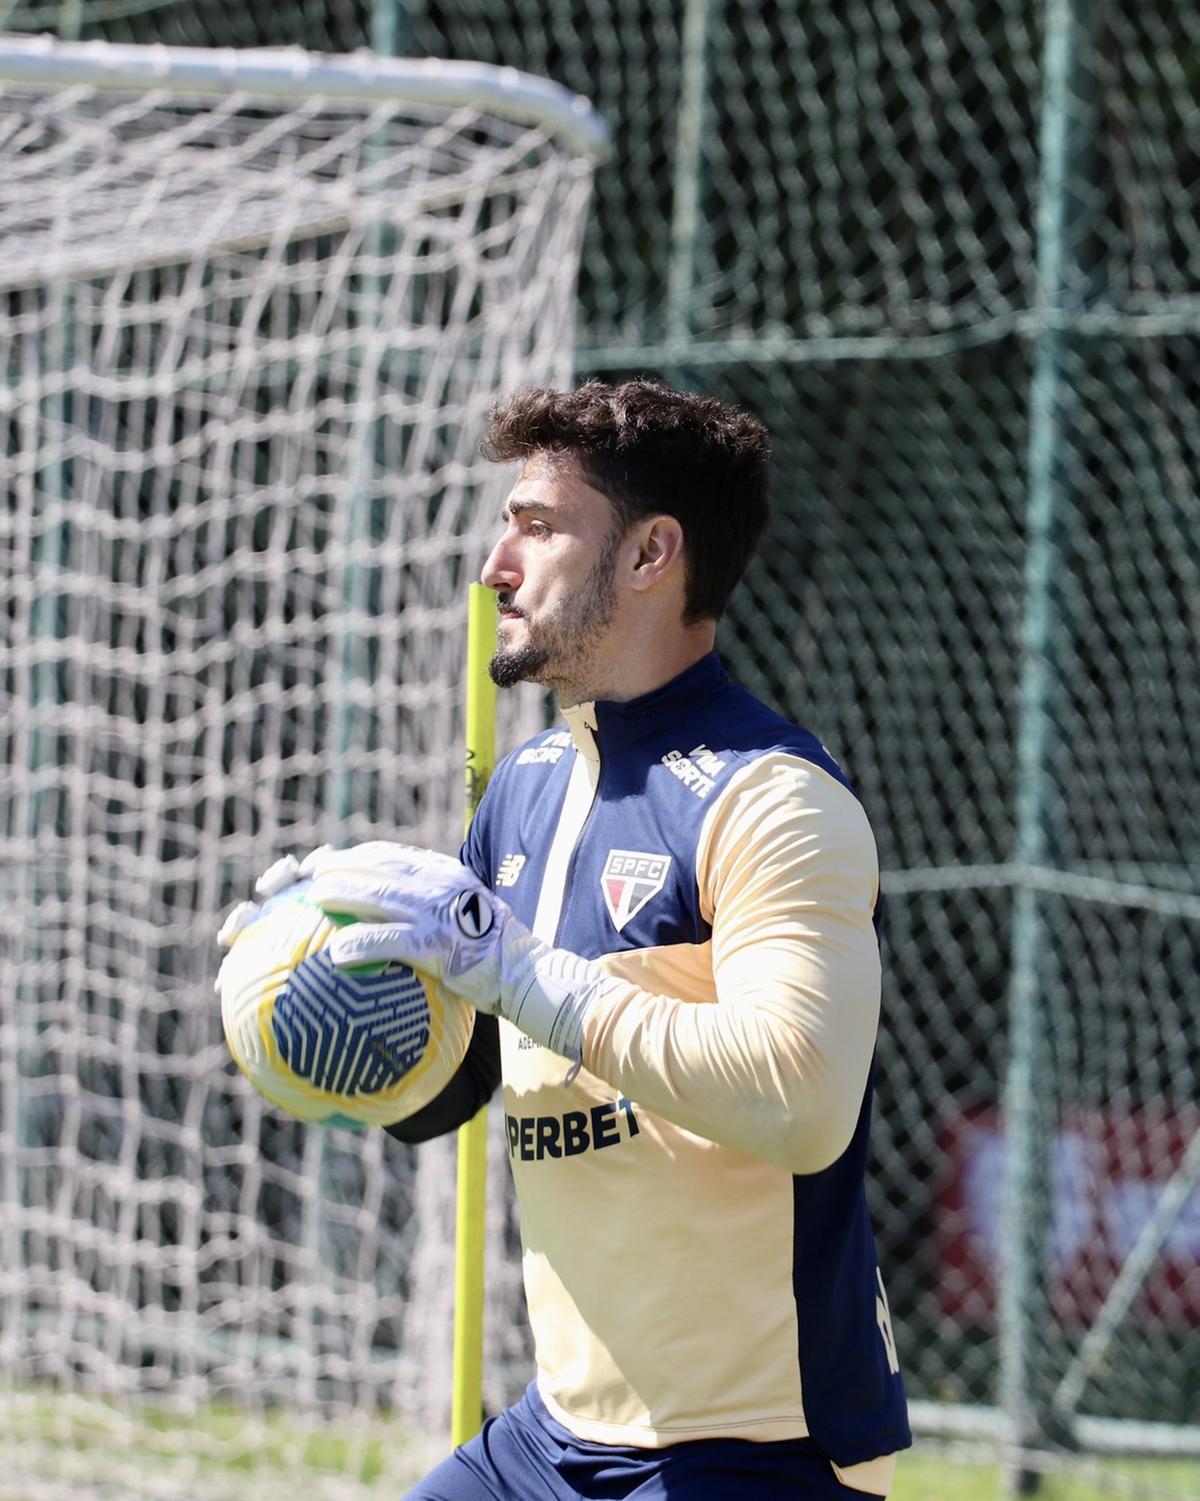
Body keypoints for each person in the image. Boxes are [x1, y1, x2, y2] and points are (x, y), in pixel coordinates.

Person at [230, 379, 911, 1498]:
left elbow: (802, 1100)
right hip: (554, 1439)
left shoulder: (775, 800)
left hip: (759, 1451)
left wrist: (524, 975)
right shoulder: (529, 787)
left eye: (538, 527)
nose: (497, 565)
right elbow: (459, 1080)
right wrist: (302, 982)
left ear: (651, 554)